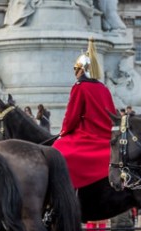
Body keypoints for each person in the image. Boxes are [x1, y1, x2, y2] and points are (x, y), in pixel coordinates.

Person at [53, 38, 117, 189]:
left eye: (77, 69)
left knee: (58, 151)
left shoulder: (80, 87)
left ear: (83, 70)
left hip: (88, 135)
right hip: (106, 137)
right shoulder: (104, 88)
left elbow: (72, 116)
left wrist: (63, 132)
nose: (75, 72)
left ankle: (69, 191)